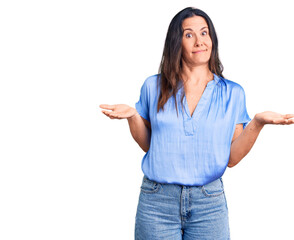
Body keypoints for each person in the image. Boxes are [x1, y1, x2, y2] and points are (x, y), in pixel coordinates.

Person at [99, 7, 294, 240]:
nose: (199, 41)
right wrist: (133, 117)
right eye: (189, 34)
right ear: (176, 42)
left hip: (209, 204)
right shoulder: (153, 86)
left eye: (204, 33)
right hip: (157, 202)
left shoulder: (233, 93)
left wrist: (259, 122)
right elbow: (150, 146)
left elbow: (231, 159)